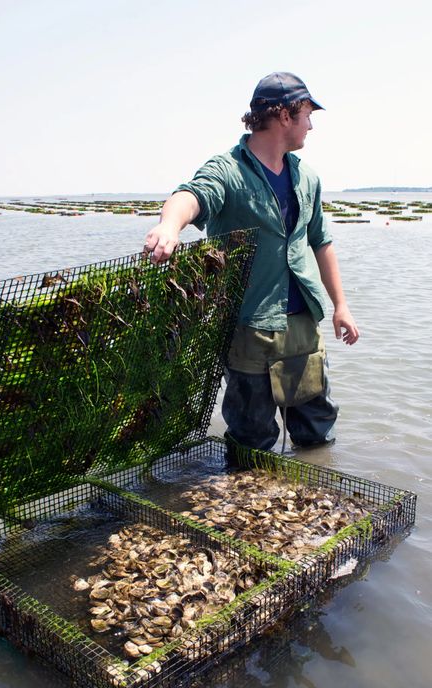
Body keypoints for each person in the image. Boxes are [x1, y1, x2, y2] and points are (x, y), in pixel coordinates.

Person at [144, 71, 359, 454]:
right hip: (249, 328)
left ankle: (307, 510)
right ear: (284, 115)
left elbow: (321, 241)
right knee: (252, 440)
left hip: (303, 326)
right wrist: (169, 226)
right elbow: (190, 196)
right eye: (307, 113)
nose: (311, 125)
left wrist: (341, 306)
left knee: (315, 432)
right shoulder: (228, 169)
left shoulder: (306, 177)